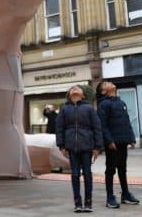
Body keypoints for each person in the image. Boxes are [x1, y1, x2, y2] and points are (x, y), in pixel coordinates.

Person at [56, 85, 102, 213]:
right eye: (72, 88)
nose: (75, 89)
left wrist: (97, 147)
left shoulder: (89, 108)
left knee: (87, 173)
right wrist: (61, 146)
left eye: (78, 88)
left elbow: (97, 128)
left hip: (87, 146)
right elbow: (59, 128)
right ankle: (77, 203)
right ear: (69, 94)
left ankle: (88, 202)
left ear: (83, 95)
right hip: (71, 147)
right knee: (75, 174)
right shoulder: (64, 109)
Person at [97, 81, 139, 208]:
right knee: (110, 170)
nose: (110, 83)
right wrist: (109, 141)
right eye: (106, 83)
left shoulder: (121, 102)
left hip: (123, 141)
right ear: (103, 91)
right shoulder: (103, 104)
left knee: (122, 168)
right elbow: (102, 125)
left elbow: (127, 121)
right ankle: (110, 197)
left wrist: (131, 138)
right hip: (113, 143)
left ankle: (125, 194)